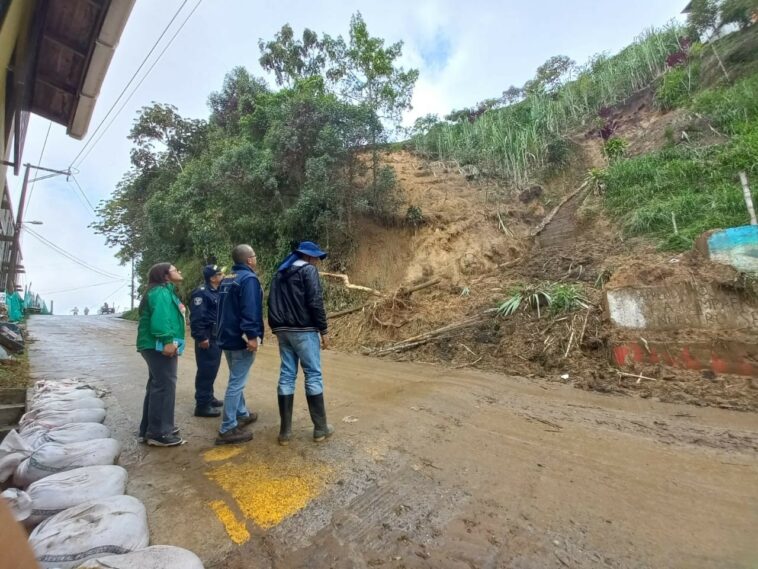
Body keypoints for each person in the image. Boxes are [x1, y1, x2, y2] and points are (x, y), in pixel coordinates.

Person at [268, 241, 334, 445]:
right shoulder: (308, 271)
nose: (317, 261)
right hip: (304, 330)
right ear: (307, 256)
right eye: (315, 257)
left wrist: (276, 327)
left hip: (283, 331)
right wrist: (324, 330)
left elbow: (270, 301)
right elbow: (315, 301)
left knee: (287, 375)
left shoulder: (280, 272)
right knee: (313, 374)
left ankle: (285, 433)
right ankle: (320, 429)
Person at [215, 245, 263, 445]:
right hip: (240, 338)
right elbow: (249, 309)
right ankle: (228, 428)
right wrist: (252, 336)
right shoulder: (249, 279)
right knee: (236, 382)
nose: (255, 258)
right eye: (254, 255)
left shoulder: (226, 279)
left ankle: (242, 413)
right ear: (249, 260)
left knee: (236, 377)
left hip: (226, 337)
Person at [136, 263, 186, 447]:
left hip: (153, 344)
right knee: (165, 385)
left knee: (157, 385)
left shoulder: (164, 291)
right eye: (175, 269)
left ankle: (150, 428)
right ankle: (159, 432)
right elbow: (161, 318)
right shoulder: (160, 292)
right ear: (165, 276)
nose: (178, 271)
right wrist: (167, 340)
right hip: (157, 344)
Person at [190, 264, 225, 417]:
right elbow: (197, 317)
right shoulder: (201, 293)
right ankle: (202, 405)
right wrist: (201, 337)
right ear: (212, 278)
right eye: (220, 274)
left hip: (216, 336)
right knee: (206, 370)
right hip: (207, 337)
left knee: (212, 369)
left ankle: (208, 397)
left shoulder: (217, 292)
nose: (223, 276)